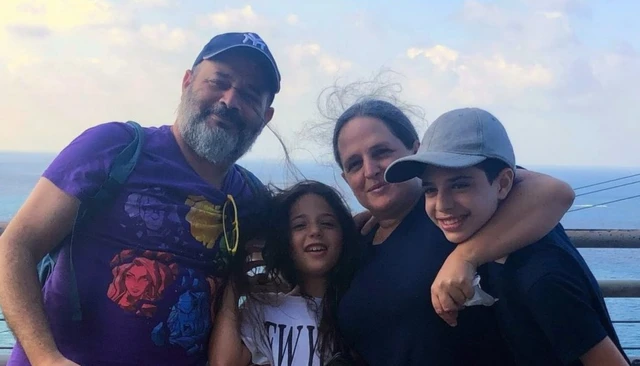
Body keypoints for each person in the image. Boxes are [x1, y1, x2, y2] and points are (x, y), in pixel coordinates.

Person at [0, 31, 281, 366]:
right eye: (219, 81)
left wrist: (355, 226)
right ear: (187, 82)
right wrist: (46, 358)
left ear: (265, 118)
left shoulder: (250, 200)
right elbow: (15, 246)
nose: (230, 100)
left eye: (250, 95)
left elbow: (305, 245)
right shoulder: (114, 147)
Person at [331, 98, 576, 365]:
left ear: (416, 150)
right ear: (346, 178)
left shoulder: (454, 217)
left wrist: (465, 257)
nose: (370, 170)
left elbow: (555, 192)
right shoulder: (357, 240)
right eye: (354, 164)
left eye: (381, 152)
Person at [384, 107, 630, 366]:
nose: (442, 205)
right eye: (430, 190)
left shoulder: (541, 277)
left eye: (460, 184)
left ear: (502, 185)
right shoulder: (504, 231)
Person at [209, 180, 363, 366]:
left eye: (327, 223)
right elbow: (224, 363)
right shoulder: (262, 309)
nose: (315, 231)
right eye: (299, 226)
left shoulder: (361, 305)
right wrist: (236, 282)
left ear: (343, 234)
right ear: (284, 241)